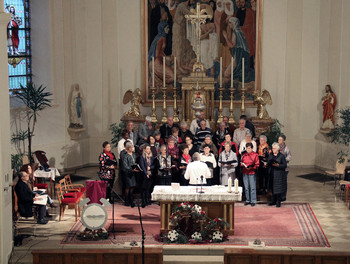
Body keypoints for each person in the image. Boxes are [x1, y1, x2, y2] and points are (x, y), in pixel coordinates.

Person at [148, 20, 175, 86]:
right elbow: (157, 54)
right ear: (162, 28)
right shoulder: (161, 39)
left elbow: (160, 52)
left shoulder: (161, 37)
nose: (168, 29)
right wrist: (167, 57)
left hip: (157, 61)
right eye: (167, 28)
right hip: (156, 63)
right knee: (173, 76)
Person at [267, 143, 287, 208]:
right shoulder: (271, 155)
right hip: (272, 173)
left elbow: (284, 165)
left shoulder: (281, 156)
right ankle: (273, 201)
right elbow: (269, 162)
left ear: (278, 149)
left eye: (274, 148)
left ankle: (278, 202)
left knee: (278, 189)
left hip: (278, 174)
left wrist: (278, 165)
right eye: (272, 148)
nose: (273, 150)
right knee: (272, 188)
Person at [121, 142, 138, 207]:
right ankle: (127, 200)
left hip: (133, 172)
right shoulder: (125, 156)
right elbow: (125, 166)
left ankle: (131, 199)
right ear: (128, 148)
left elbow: (135, 162)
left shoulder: (134, 154)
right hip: (127, 173)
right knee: (128, 186)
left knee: (132, 186)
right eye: (131, 147)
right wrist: (131, 169)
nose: (132, 148)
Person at [278, 134, 292, 202]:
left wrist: (282, 160)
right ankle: (278, 195)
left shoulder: (286, 148)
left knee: (283, 182)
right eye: (278, 139)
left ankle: (283, 196)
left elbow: (289, 157)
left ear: (284, 141)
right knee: (278, 182)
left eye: (280, 140)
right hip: (278, 167)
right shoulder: (277, 147)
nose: (279, 141)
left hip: (285, 168)